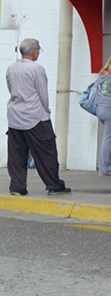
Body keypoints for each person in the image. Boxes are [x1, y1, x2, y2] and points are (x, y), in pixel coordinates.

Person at [5, 38, 69, 195]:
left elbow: (10, 88)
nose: (39, 53)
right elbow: (42, 93)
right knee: (46, 152)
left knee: (17, 155)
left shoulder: (11, 68)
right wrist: (46, 109)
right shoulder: (37, 69)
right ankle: (54, 185)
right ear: (33, 51)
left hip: (15, 116)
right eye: (38, 50)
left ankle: (17, 187)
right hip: (34, 116)